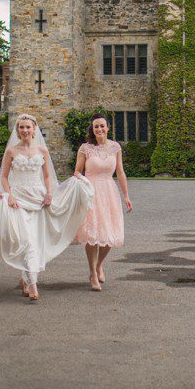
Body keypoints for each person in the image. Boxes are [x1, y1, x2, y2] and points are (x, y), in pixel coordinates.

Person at [0, 114, 92, 301]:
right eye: (21, 127)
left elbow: (47, 176)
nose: (24, 130)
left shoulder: (42, 151)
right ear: (17, 130)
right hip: (18, 199)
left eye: (27, 127)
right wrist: (10, 196)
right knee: (26, 240)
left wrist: (49, 193)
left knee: (35, 241)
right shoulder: (12, 151)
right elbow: (4, 177)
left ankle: (27, 277)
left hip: (38, 198)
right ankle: (33, 284)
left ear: (34, 129)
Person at [73, 114, 132, 291]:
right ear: (92, 129)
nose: (99, 129)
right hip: (91, 192)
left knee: (109, 234)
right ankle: (92, 273)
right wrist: (84, 183)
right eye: (96, 127)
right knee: (93, 234)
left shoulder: (115, 147)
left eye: (102, 126)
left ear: (108, 128)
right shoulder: (85, 149)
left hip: (109, 192)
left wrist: (126, 196)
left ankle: (99, 265)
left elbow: (120, 173)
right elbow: (77, 172)